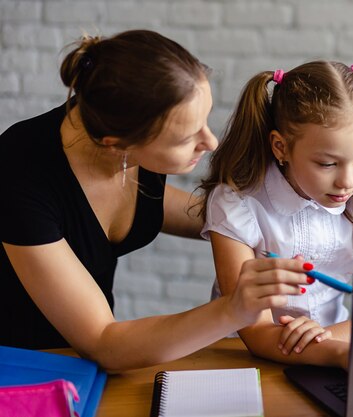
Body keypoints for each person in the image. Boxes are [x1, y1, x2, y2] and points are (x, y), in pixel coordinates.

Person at [0, 29, 313, 372]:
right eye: (185, 138)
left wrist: (264, 220)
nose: (210, 142)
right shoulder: (19, 172)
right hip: (23, 365)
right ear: (116, 144)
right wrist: (232, 309)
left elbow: (156, 208)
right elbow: (103, 341)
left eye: (205, 122)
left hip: (80, 366)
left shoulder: (129, 131)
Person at [198, 61, 353, 368]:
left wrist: (325, 338)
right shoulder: (236, 205)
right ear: (280, 147)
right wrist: (336, 350)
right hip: (245, 363)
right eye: (327, 164)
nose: (347, 181)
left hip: (336, 347)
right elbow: (256, 332)